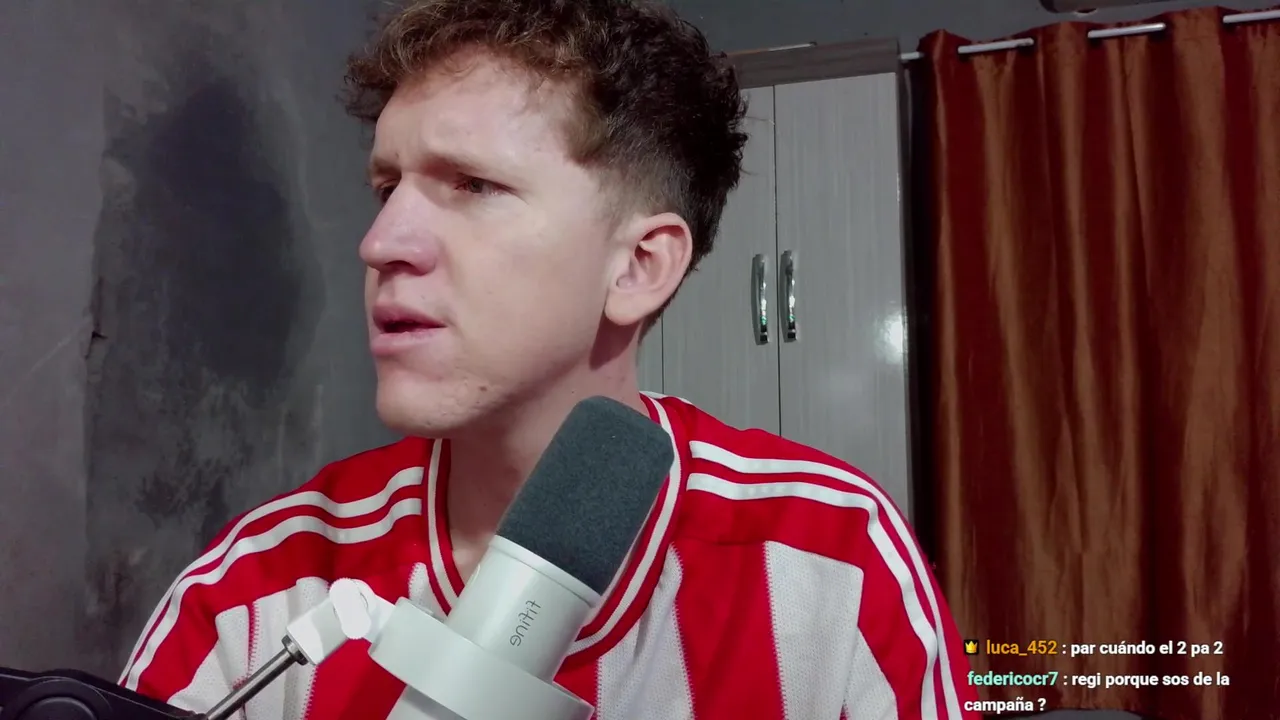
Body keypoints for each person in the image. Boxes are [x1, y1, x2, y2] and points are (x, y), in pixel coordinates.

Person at [119, 0, 979, 718]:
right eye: (387, 188)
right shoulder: (252, 594)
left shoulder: (833, 563)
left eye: (473, 185)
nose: (380, 243)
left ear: (637, 266)